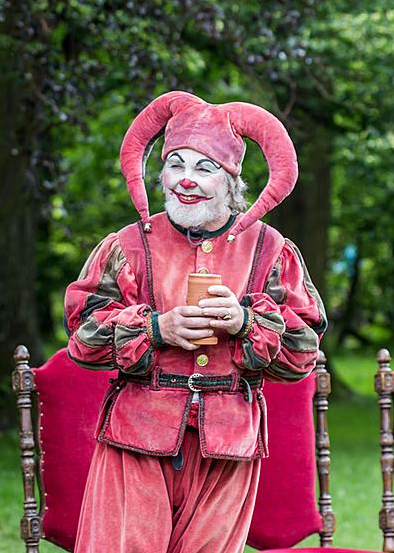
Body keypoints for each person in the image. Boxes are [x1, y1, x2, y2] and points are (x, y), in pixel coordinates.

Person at [64, 91, 327, 552]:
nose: (186, 180)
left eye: (204, 168)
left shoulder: (271, 251)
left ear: (231, 182)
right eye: (176, 165)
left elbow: (303, 354)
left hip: (228, 450)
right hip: (138, 438)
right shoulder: (128, 246)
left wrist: (246, 322)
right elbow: (83, 339)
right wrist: (156, 329)